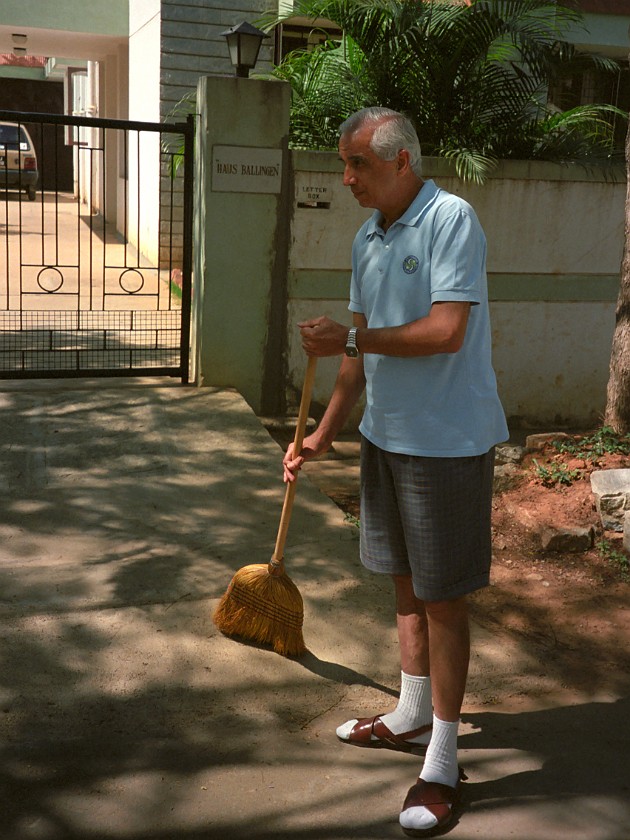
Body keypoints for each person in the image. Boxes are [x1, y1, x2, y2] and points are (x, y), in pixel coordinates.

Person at [283, 107, 508, 837]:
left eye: (359, 165)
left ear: (402, 160)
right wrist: (322, 435)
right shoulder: (368, 235)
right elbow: (357, 356)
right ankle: (412, 713)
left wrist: (350, 333)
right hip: (386, 436)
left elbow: (448, 331)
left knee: (444, 600)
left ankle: (442, 758)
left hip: (446, 441)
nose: (346, 178)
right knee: (405, 585)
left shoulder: (453, 220)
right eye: (344, 165)